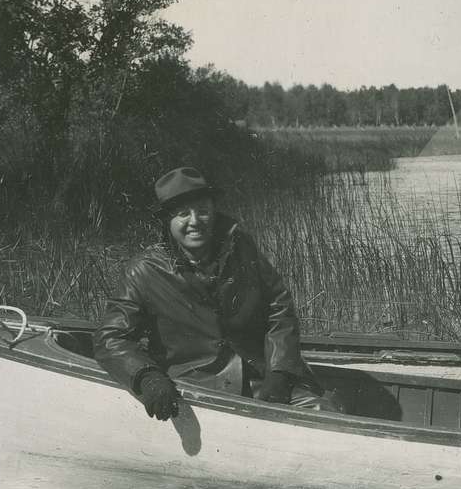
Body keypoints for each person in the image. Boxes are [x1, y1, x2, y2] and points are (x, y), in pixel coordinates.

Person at [95, 166, 339, 420]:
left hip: (263, 377)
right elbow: (111, 338)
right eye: (182, 214)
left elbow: (279, 307)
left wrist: (279, 372)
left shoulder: (242, 248)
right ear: (167, 222)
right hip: (198, 385)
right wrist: (147, 376)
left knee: (325, 414)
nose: (194, 221)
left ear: (213, 212)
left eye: (202, 211)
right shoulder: (143, 271)